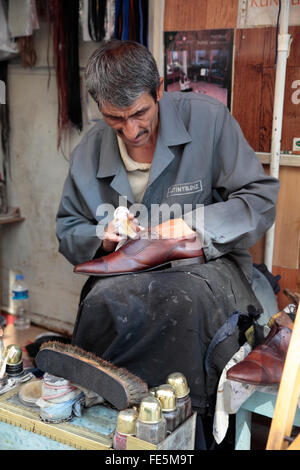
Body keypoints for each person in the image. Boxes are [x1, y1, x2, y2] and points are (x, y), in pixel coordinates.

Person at [56, 40, 279, 448]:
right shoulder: (89, 151)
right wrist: (101, 238)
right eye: (114, 119)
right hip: (127, 275)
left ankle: (185, 437)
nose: (132, 130)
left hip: (209, 271)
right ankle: (106, 430)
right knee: (100, 304)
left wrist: (195, 225)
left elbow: (260, 199)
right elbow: (68, 227)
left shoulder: (208, 121)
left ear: (159, 89)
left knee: (185, 302)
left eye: (140, 113)